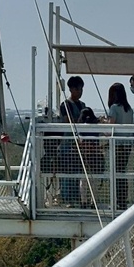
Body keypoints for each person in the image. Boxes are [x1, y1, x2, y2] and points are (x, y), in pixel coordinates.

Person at [57, 75, 88, 204]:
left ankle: (75, 198)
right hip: (68, 144)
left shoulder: (82, 105)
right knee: (67, 172)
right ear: (72, 89)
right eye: (78, 89)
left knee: (77, 172)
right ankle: (66, 198)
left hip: (79, 145)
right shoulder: (66, 104)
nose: (80, 92)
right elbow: (67, 121)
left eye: (81, 89)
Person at [106, 82, 133, 209]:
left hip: (118, 145)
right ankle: (123, 200)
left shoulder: (114, 108)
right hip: (127, 144)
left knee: (116, 173)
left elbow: (110, 127)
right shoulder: (129, 109)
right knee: (122, 172)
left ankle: (118, 201)